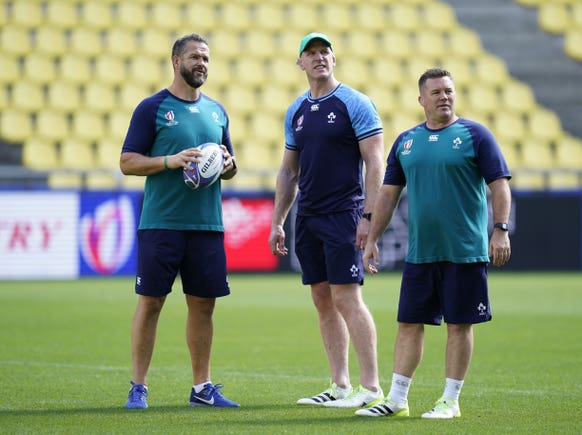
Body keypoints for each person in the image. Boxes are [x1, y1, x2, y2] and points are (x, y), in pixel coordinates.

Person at [355, 68, 512, 419]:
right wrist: (372, 239)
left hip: (464, 251)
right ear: (421, 99)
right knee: (409, 323)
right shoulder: (407, 141)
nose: (444, 96)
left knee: (459, 324)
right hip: (420, 253)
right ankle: (396, 400)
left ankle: (450, 400)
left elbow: (499, 185)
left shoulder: (475, 135)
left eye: (449, 90)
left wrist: (500, 229)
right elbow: (388, 196)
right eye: (437, 92)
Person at [120, 33, 239, 410]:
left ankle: (202, 388)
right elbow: (127, 162)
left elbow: (228, 166)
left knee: (203, 305)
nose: (201, 63)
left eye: (206, 57)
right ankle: (138, 386)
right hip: (162, 223)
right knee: (151, 302)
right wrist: (169, 161)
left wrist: (230, 165)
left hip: (206, 225)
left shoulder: (217, 112)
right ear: (176, 61)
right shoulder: (152, 108)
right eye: (194, 57)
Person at [268, 32, 386, 408]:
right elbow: (289, 172)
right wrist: (278, 221)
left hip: (344, 213)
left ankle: (370, 389)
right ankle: (339, 385)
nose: (319, 57)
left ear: (334, 60)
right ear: (299, 63)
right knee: (322, 299)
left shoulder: (356, 103)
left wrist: (369, 217)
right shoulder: (296, 111)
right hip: (310, 215)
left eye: (325, 52)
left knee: (347, 298)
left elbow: (375, 163)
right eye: (311, 53)